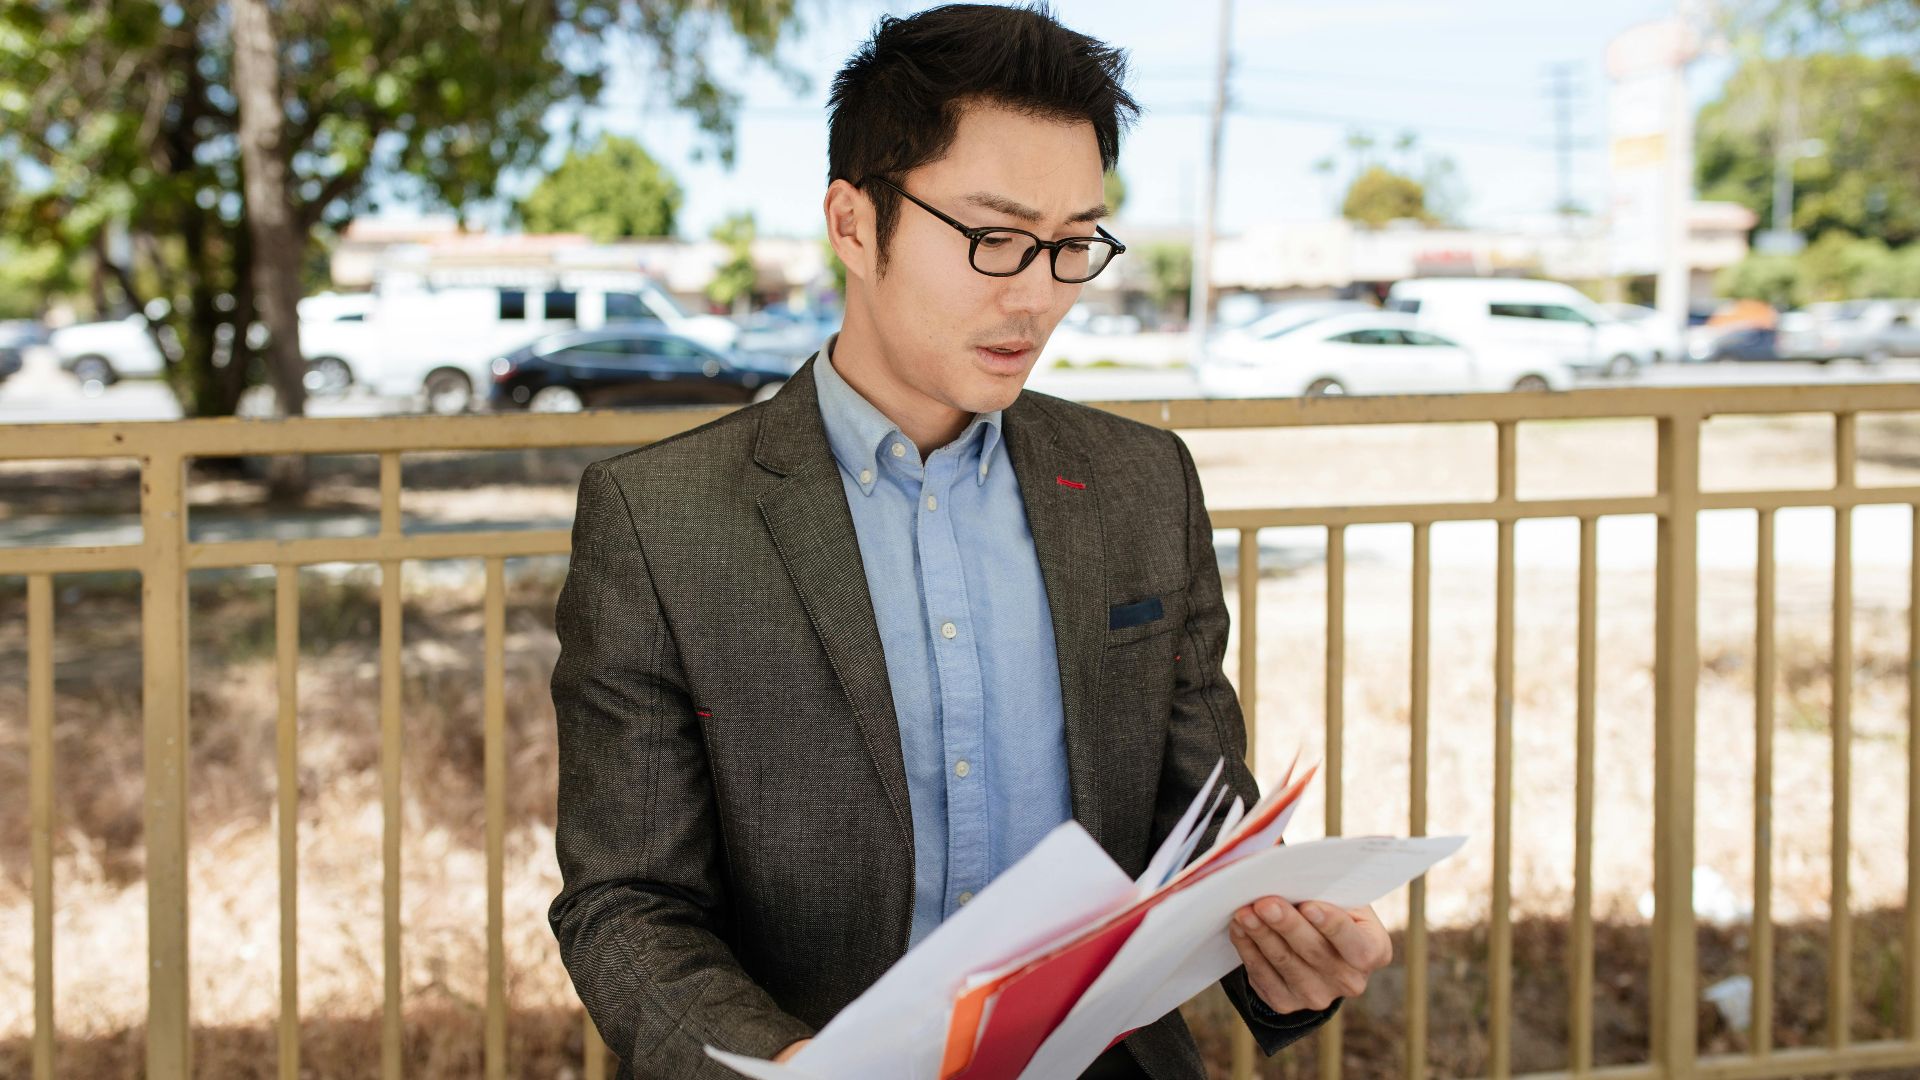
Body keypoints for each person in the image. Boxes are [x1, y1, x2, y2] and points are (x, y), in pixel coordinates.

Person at [547, 5, 1393, 1078]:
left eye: (1074, 243)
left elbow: (1202, 825)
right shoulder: (663, 517)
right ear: (854, 226)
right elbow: (626, 898)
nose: (1038, 294)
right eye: (993, 238)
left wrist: (1285, 945)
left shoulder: (1139, 486)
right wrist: (788, 1063)